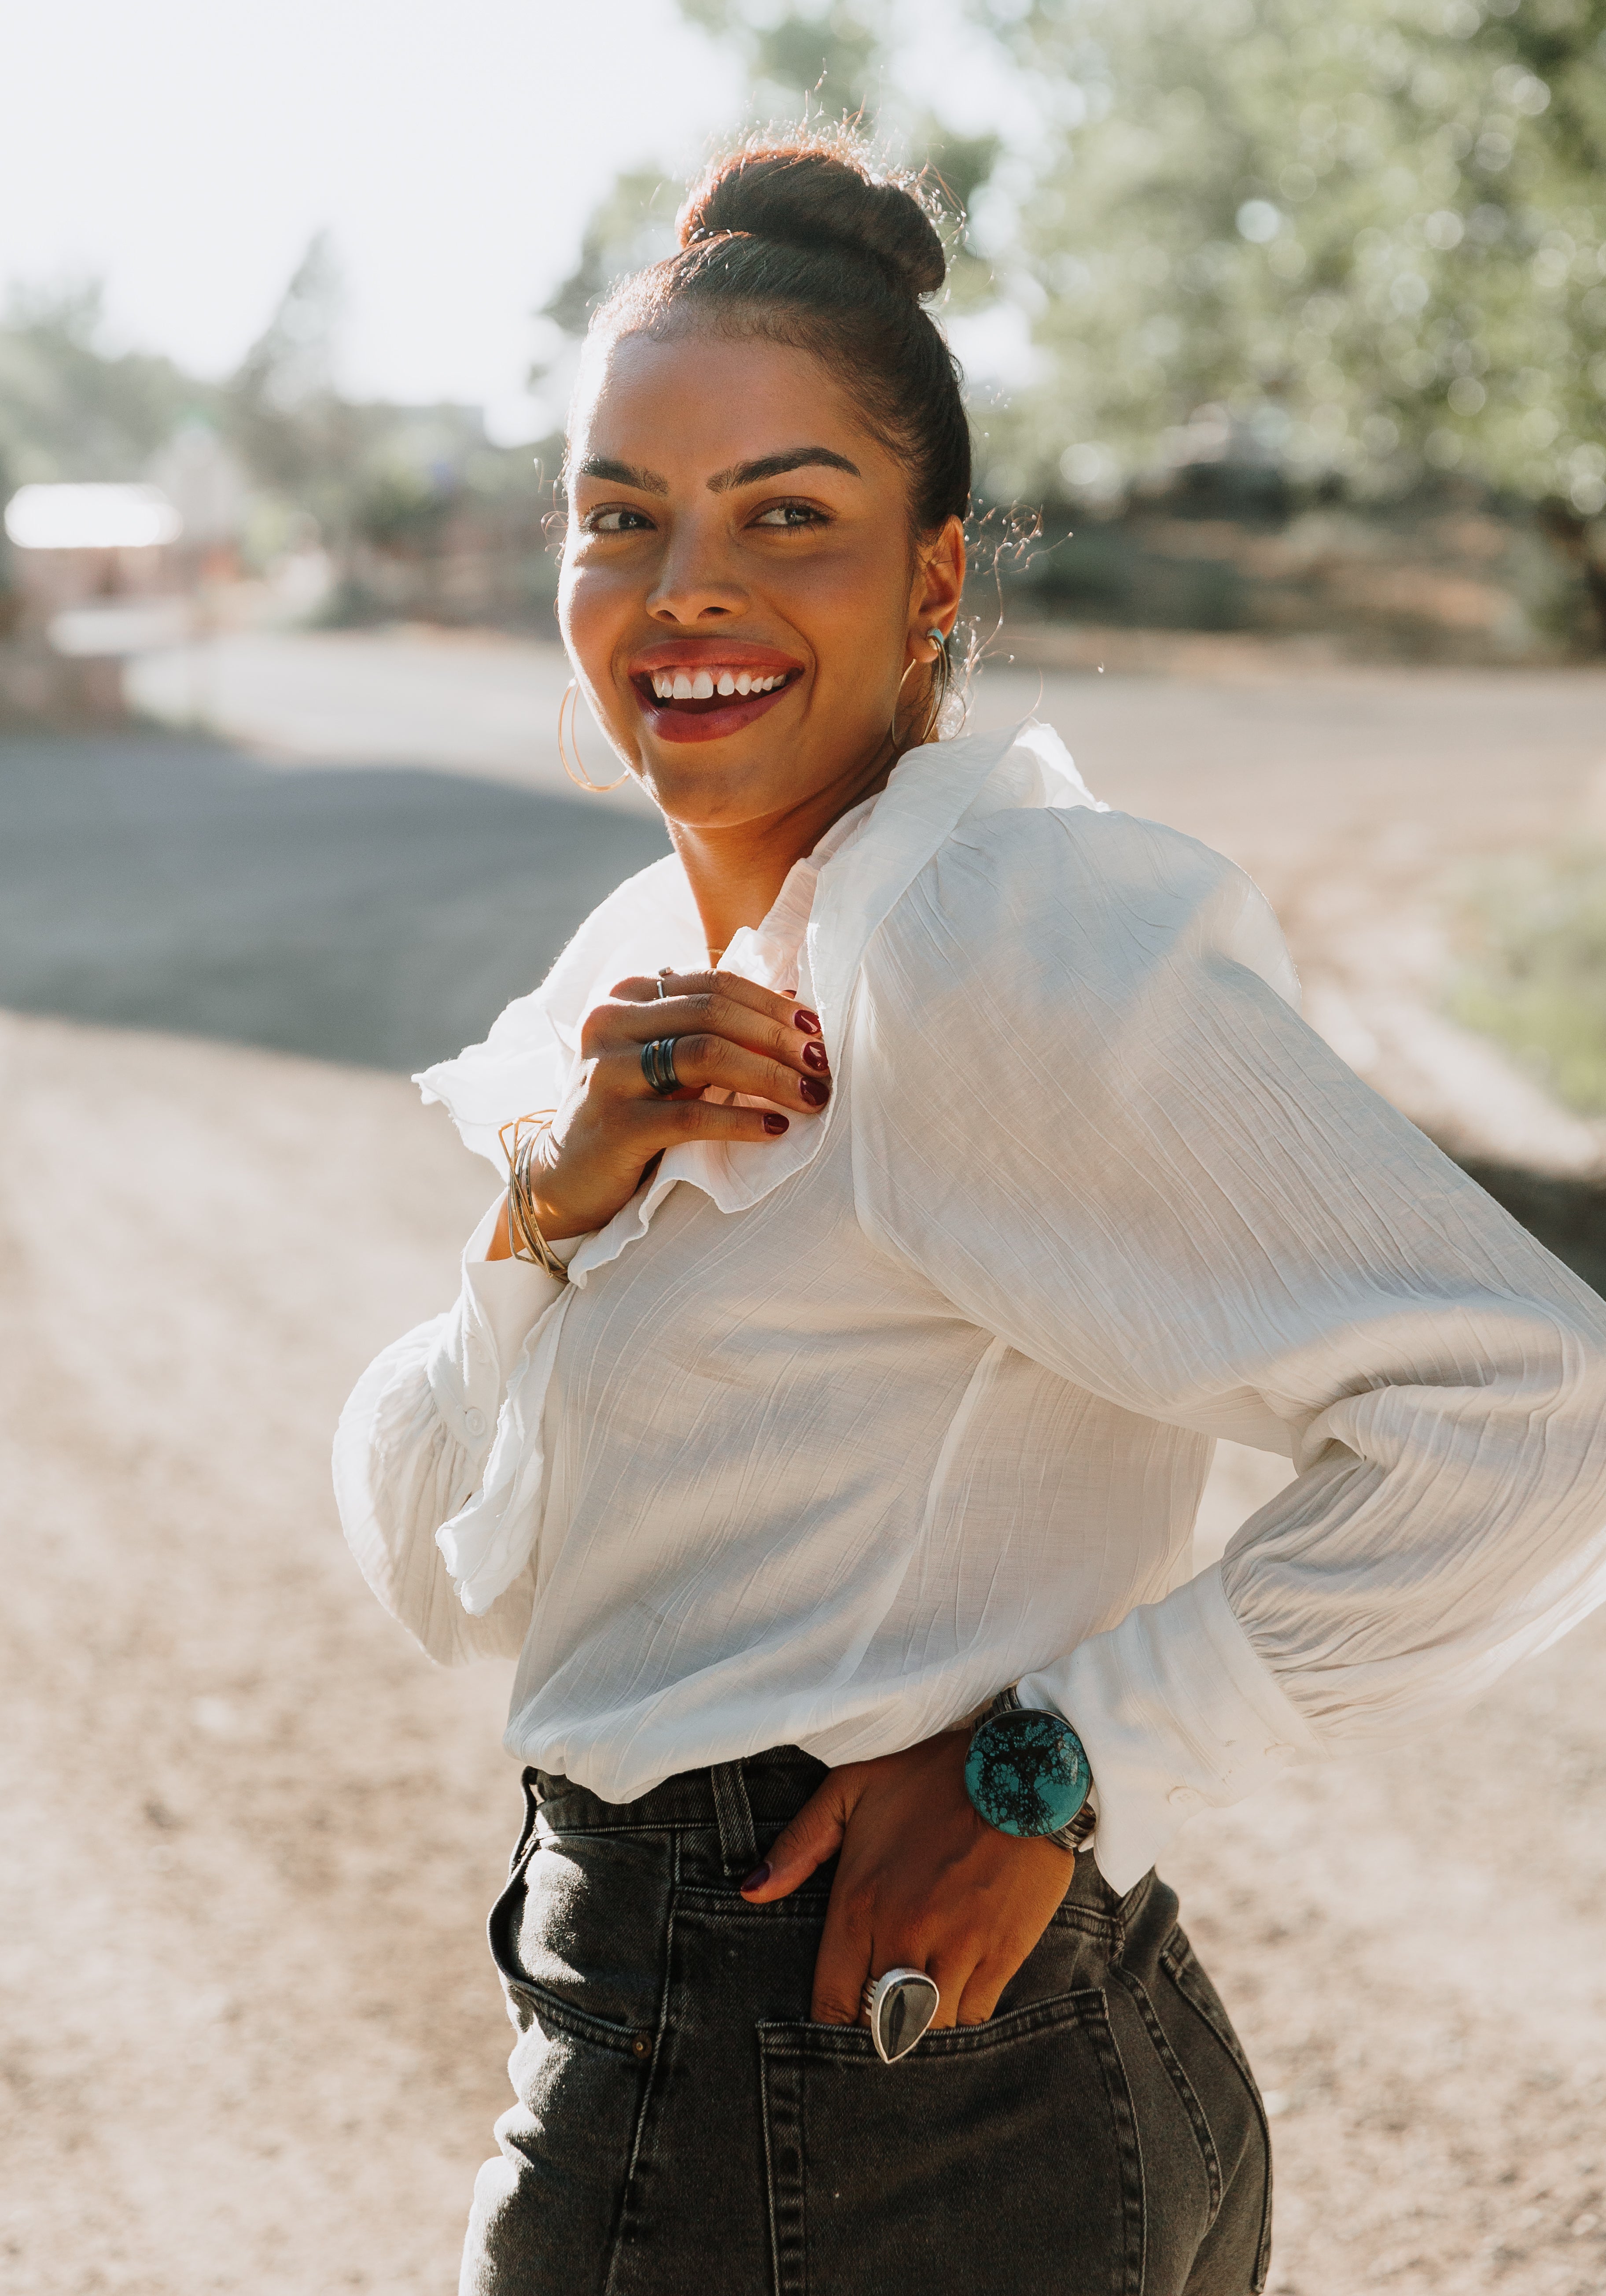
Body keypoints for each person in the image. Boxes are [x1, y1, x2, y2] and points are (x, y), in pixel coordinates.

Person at [334, 136, 1606, 2296]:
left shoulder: (969, 931)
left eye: (788, 517)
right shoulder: (649, 966)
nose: (684, 591)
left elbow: (1531, 1410)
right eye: (620, 518)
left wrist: (1057, 1765)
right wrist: (542, 1215)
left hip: (809, 2114)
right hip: (871, 2095)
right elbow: (433, 1566)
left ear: (934, 582)